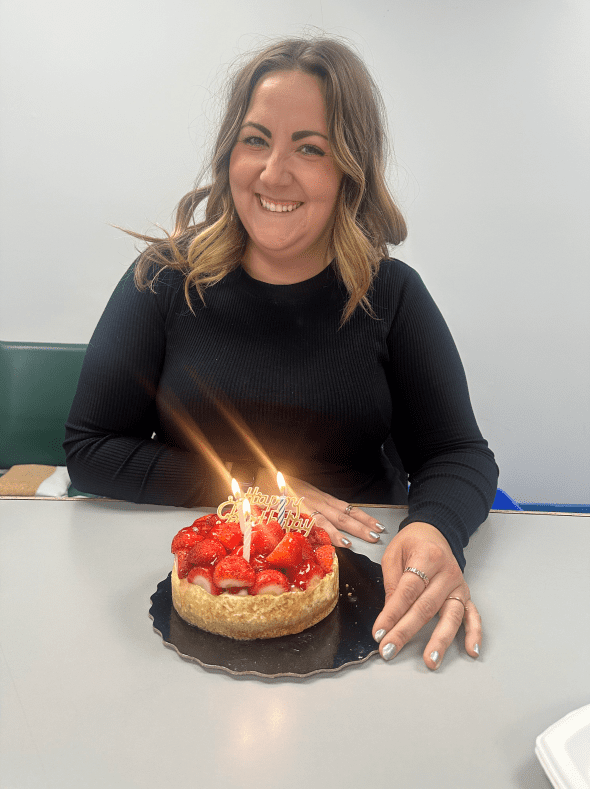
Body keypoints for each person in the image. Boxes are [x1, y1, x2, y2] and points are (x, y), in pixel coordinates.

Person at [64, 37, 498, 669]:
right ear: (229, 153)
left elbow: (457, 452)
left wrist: (436, 528)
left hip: (364, 583)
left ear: (350, 169)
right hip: (200, 575)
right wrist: (256, 486)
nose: (273, 173)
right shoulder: (163, 280)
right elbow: (90, 449)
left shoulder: (394, 294)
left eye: (310, 148)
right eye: (256, 140)